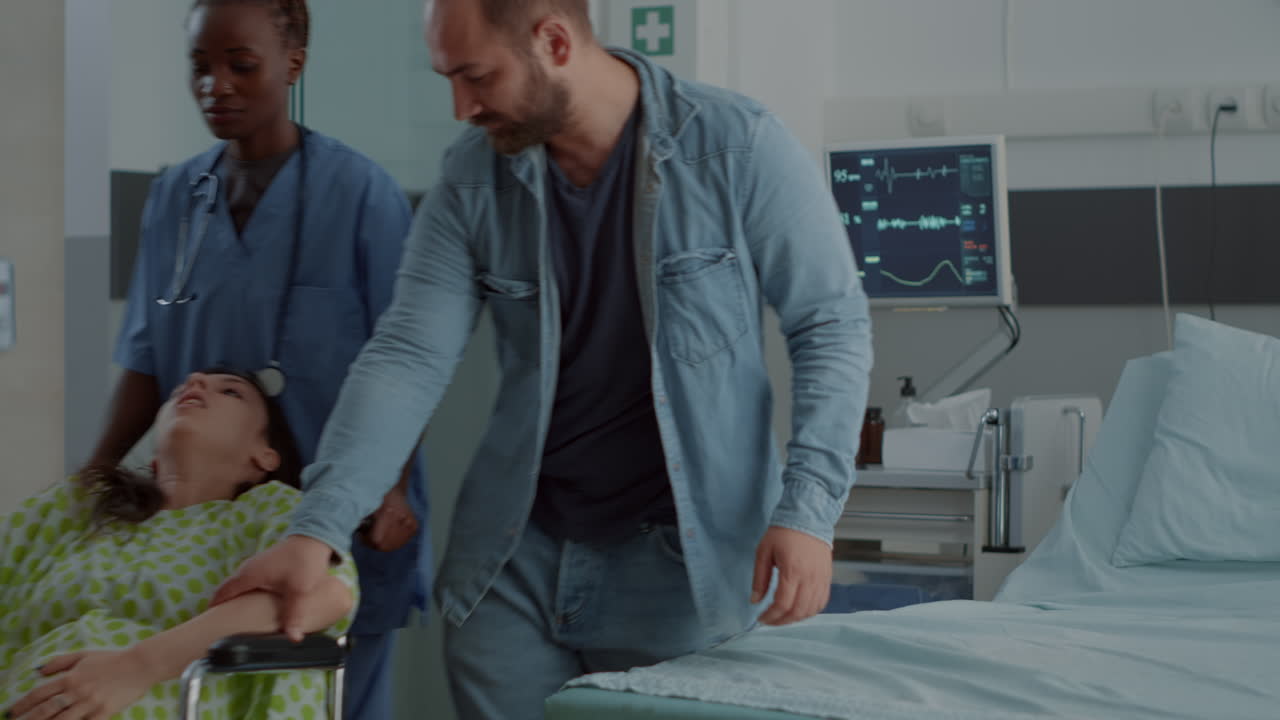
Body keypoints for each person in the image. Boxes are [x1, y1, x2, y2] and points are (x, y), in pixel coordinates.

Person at [215, 0, 873, 718]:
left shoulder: (734, 145)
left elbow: (830, 325)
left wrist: (807, 513)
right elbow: (408, 356)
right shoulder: (473, 176)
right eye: (447, 79)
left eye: (476, 77)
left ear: (554, 42)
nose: (462, 107)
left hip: (681, 569)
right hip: (514, 564)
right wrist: (317, 529)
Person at [90, 1, 429, 717]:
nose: (215, 85)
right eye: (199, 66)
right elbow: (146, 356)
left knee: (332, 691)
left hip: (342, 517)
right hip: (201, 525)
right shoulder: (175, 198)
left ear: (293, 63)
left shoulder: (361, 194)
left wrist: (391, 488)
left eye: (240, 65)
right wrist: (96, 471)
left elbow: (407, 359)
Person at [0, 369, 356, 720]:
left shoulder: (273, 511)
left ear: (265, 456)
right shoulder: (77, 506)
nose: (194, 381)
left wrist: (134, 668)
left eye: (230, 391)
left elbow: (327, 594)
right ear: (155, 458)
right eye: (179, 389)